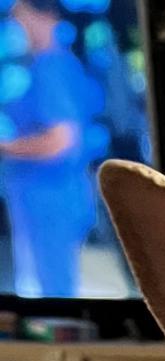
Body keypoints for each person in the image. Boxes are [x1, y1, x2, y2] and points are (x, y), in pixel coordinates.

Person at [0, 0, 93, 297]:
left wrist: (5, 147)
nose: (15, 25)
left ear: (43, 15)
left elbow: (61, 141)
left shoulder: (51, 67)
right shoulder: (52, 64)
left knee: (53, 293)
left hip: (49, 200)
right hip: (45, 197)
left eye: (19, 16)